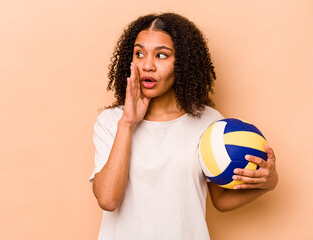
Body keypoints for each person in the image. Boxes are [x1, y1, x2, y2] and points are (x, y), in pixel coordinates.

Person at [89, 13, 278, 240]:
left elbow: (220, 200)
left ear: (183, 63)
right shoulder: (111, 121)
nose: (147, 65)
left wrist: (269, 183)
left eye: (161, 55)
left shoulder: (210, 123)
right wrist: (127, 123)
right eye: (139, 54)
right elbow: (108, 200)